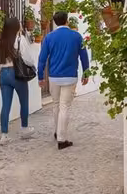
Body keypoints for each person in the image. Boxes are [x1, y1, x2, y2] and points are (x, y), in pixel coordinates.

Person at [37, 11, 90, 150]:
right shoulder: (76, 36)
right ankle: (61, 139)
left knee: (56, 105)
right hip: (70, 76)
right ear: (67, 20)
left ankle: (57, 132)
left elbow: (42, 58)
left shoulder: (49, 37)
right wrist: (86, 72)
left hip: (54, 76)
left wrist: (40, 76)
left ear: (55, 22)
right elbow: (84, 56)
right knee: (65, 106)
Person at [0, 17, 36, 146]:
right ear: (15, 26)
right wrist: (32, 66)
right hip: (16, 74)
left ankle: (4, 135)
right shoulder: (20, 39)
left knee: (5, 105)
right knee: (24, 101)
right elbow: (28, 59)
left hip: (3, 74)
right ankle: (24, 129)